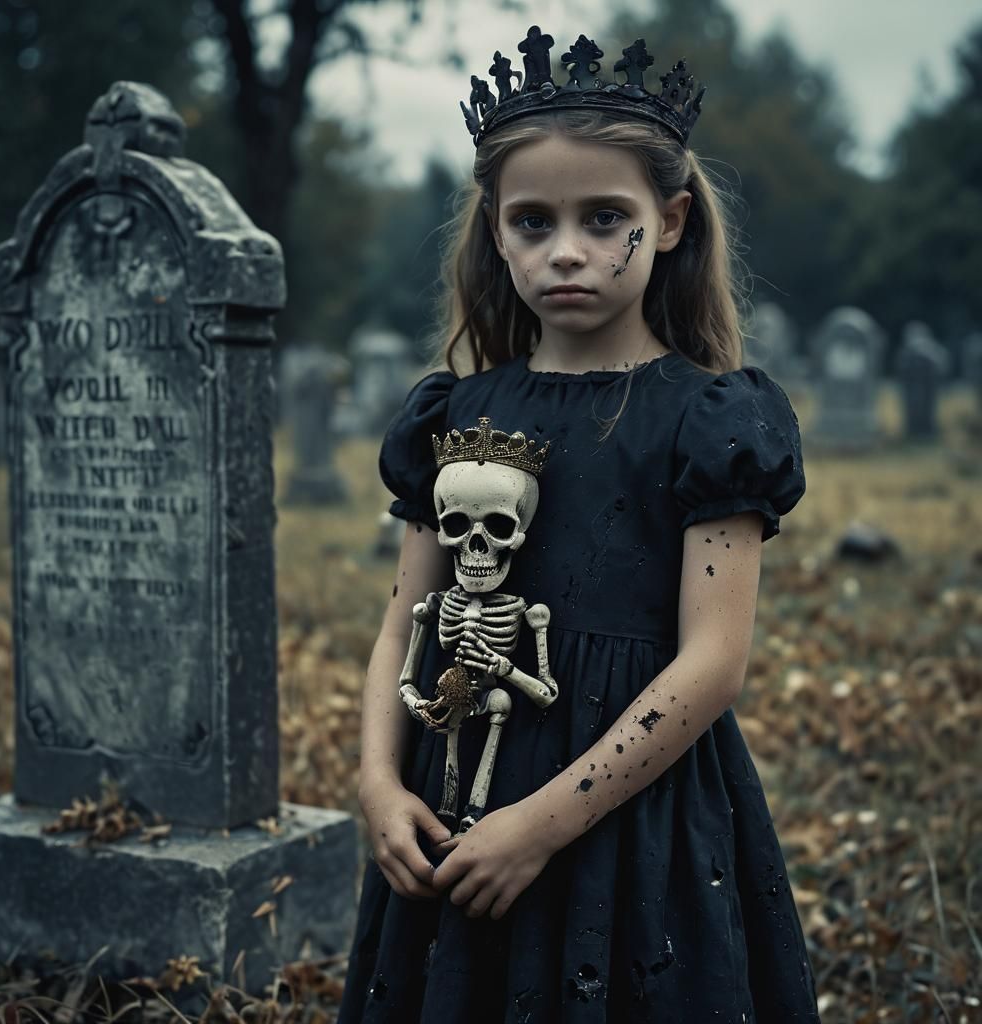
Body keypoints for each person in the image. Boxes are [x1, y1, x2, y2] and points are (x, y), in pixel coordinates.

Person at [339, 25, 820, 1024]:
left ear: (672, 220)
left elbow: (712, 664)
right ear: (495, 230)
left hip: (629, 821)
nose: (566, 250)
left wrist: (541, 823)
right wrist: (381, 785)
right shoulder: (455, 414)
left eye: (607, 218)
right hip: (456, 802)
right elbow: (405, 624)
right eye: (531, 221)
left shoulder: (710, 420)